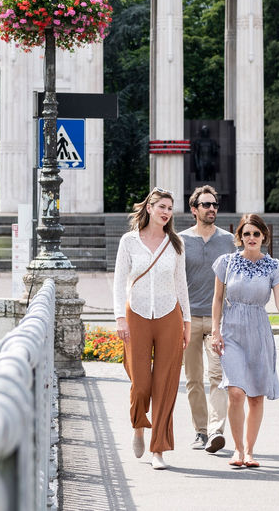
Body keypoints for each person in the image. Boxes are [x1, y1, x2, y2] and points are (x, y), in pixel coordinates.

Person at [209, 214, 279, 468]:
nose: (251, 238)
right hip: (232, 331)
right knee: (236, 391)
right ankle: (237, 450)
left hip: (259, 332)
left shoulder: (274, 267)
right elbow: (217, 299)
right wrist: (216, 330)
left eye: (256, 234)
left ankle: (249, 451)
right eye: (246, 233)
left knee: (256, 396)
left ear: (263, 237)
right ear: (239, 236)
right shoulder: (225, 263)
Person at [113, 188, 192, 470]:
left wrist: (187, 322)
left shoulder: (176, 243)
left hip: (170, 315)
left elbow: (181, 284)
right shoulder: (129, 241)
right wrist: (119, 318)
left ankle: (158, 448)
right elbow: (119, 280)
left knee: (165, 384)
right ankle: (138, 424)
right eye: (162, 206)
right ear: (149, 208)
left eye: (170, 208)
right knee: (141, 383)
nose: (166, 212)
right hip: (136, 314)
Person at [179, 185, 236, 454]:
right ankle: (200, 431)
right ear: (194, 210)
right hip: (188, 320)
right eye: (206, 205)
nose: (211, 209)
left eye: (214, 204)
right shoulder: (179, 241)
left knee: (217, 376)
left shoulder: (228, 240)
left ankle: (215, 431)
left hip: (218, 322)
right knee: (192, 379)